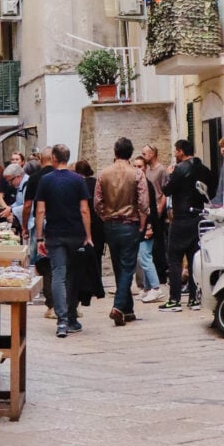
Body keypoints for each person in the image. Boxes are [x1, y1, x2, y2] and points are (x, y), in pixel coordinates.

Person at [34, 143, 92, 338]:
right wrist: (88, 235)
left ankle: (62, 320)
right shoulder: (78, 180)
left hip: (54, 234)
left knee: (58, 274)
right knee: (73, 275)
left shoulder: (46, 180)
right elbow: (84, 210)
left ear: (53, 158)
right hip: (75, 234)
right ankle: (72, 317)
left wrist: (39, 237)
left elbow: (40, 211)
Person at [94, 138, 148, 326]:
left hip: (110, 224)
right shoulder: (137, 174)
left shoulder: (104, 174)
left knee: (119, 266)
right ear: (130, 153)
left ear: (115, 152)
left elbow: (97, 202)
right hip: (129, 223)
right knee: (127, 267)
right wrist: (142, 223)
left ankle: (128, 309)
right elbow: (143, 203)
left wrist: (104, 216)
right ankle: (118, 306)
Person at [159, 139, 211, 311]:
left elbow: (167, 190)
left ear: (181, 151)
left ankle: (174, 299)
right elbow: (211, 190)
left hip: (181, 218)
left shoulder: (179, 169)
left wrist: (169, 174)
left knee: (174, 258)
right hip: (198, 217)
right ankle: (194, 298)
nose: (175, 154)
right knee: (194, 258)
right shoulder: (203, 169)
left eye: (176, 151)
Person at [24, 146, 55, 317]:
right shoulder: (62, 176)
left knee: (44, 263)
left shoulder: (35, 178)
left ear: (41, 159)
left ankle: (52, 304)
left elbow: (28, 205)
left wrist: (24, 226)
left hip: (41, 224)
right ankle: (70, 304)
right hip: (61, 223)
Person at [133, 155, 165, 304]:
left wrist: (149, 226)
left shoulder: (146, 184)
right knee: (142, 256)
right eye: (135, 166)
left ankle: (156, 288)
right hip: (144, 225)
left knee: (145, 257)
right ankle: (147, 288)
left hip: (148, 225)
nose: (137, 169)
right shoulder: (141, 183)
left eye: (139, 166)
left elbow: (149, 208)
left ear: (145, 168)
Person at [142, 143, 168, 283]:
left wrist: (160, 209)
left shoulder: (161, 170)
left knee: (158, 244)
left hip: (158, 210)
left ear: (152, 154)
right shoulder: (147, 170)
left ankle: (161, 275)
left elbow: (164, 192)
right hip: (149, 209)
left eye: (144, 153)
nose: (143, 155)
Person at [74, 159, 103, 277]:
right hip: (98, 222)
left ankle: (85, 281)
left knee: (82, 255)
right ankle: (97, 280)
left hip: (82, 223)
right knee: (97, 255)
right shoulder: (96, 183)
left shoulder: (78, 185)